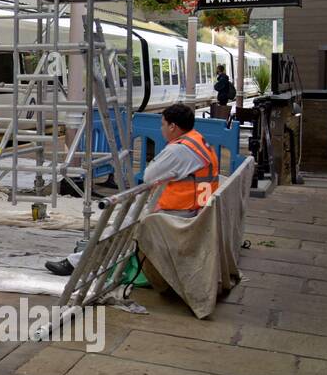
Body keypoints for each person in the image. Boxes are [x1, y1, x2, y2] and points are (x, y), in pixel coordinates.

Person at [44, 102, 220, 276]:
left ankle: (78, 263)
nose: (161, 129)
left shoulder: (179, 150)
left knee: (120, 227)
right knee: (124, 218)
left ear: (173, 126)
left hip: (176, 212)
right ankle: (84, 255)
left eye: (163, 124)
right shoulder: (198, 140)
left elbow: (150, 175)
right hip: (195, 209)